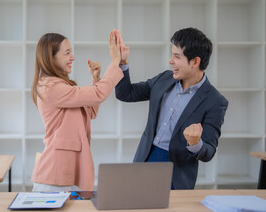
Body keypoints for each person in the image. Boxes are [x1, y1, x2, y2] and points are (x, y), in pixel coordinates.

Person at [115, 27, 228, 189]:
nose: (170, 61)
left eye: (177, 56)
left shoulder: (215, 101)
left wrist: (196, 143)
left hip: (176, 173)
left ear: (195, 62)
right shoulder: (164, 79)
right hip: (145, 158)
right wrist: (122, 63)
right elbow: (126, 94)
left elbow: (208, 152)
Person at [31, 31, 124, 192]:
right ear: (51, 58)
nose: (72, 57)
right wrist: (115, 61)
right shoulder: (50, 88)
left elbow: (90, 112)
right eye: (67, 53)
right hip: (55, 175)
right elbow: (97, 94)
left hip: (66, 171)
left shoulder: (60, 85)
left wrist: (95, 78)